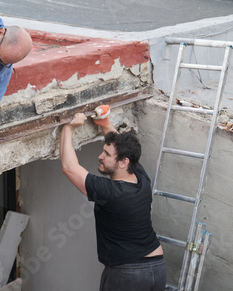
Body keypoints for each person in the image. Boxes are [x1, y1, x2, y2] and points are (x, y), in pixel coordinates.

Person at [59, 105, 166, 291]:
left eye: (106, 154)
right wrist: (105, 124)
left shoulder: (110, 193)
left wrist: (67, 128)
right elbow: (123, 148)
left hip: (128, 273)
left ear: (123, 162)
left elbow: (69, 167)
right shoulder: (141, 179)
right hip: (157, 268)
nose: (100, 156)